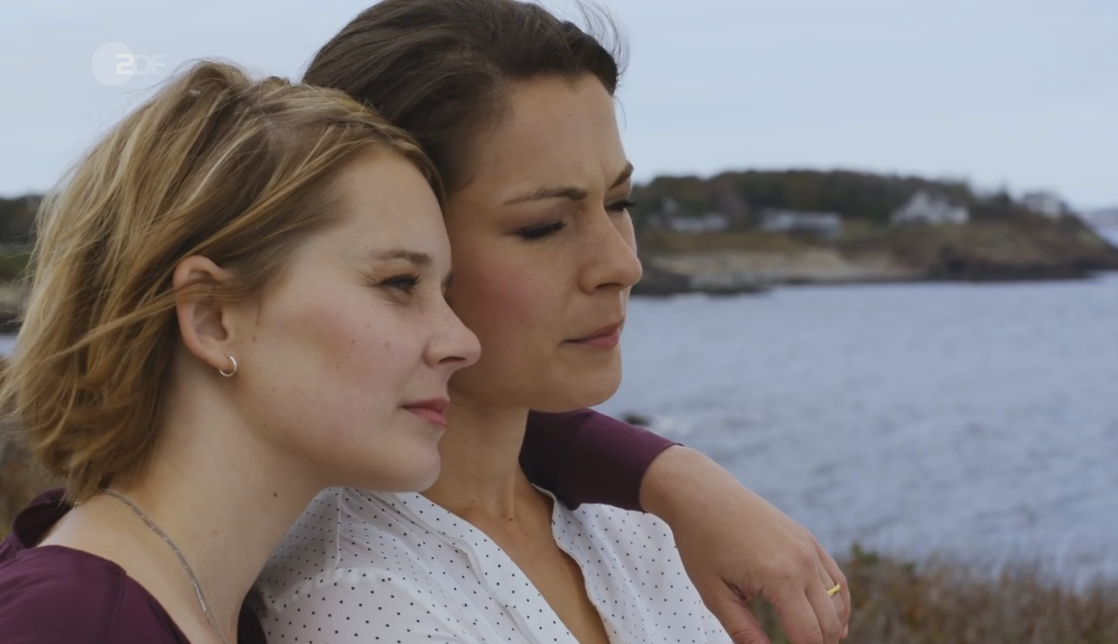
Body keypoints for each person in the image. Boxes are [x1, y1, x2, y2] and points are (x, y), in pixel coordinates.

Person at [0, 60, 658, 643]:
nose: (462, 342)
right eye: (399, 284)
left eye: (445, 290)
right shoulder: (68, 623)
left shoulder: (205, 605)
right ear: (212, 318)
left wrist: (664, 474)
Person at [255, 2, 848, 643]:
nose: (623, 265)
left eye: (619, 202)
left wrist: (675, 478)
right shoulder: (359, 598)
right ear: (401, 247)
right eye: (544, 226)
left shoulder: (639, 526)